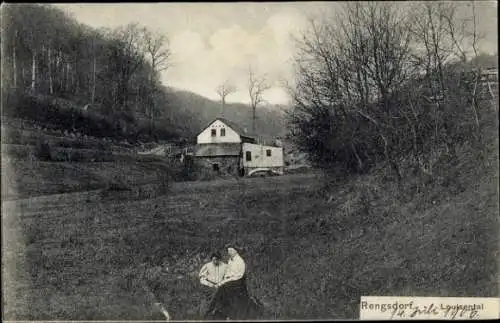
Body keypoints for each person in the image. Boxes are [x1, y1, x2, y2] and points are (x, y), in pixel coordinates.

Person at [205, 247, 263, 320]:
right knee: (221, 288)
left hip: (238, 282)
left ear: (236, 251)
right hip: (231, 281)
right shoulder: (230, 260)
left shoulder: (240, 261)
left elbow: (238, 276)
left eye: (231, 251)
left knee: (223, 288)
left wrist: (225, 281)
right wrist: (224, 279)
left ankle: (213, 309)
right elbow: (228, 273)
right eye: (228, 251)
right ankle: (215, 309)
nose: (229, 252)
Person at [198, 252, 227, 318]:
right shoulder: (207, 266)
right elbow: (202, 279)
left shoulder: (225, 266)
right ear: (211, 259)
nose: (215, 261)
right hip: (209, 287)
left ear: (220, 259)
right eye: (213, 260)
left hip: (222, 286)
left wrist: (221, 283)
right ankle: (206, 313)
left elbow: (228, 277)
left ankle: (225, 314)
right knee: (209, 300)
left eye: (217, 259)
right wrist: (210, 284)